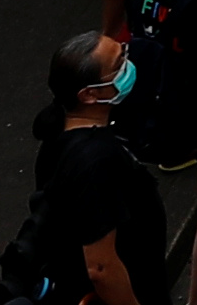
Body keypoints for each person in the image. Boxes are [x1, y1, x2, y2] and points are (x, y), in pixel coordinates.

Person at [23, 31, 170, 305]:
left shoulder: (57, 136)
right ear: (89, 94)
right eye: (118, 65)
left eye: (123, 52)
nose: (129, 64)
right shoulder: (96, 162)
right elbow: (101, 269)